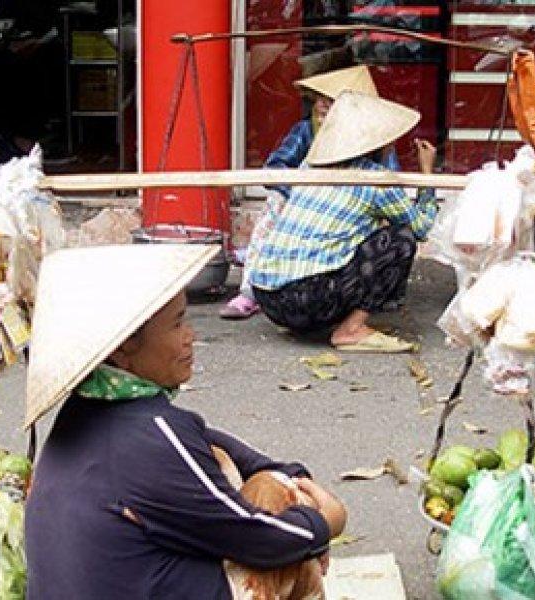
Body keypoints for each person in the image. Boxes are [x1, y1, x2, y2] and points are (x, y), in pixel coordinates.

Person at [24, 245, 346, 599]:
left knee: (272, 482)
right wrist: (326, 521)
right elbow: (258, 538)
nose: (191, 336)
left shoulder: (92, 411)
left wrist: (291, 475)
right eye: (177, 323)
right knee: (291, 546)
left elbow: (215, 443)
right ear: (123, 347)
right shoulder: (151, 435)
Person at [247, 91, 438, 353]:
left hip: (267, 297)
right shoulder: (374, 179)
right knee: (400, 240)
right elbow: (420, 228)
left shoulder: (309, 166)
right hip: (305, 301)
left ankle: (310, 325)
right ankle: (351, 329)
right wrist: (427, 176)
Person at [220, 64, 398, 320]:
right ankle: (250, 291)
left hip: (350, 211)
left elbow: (389, 183)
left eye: (333, 101)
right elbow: (275, 166)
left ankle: (369, 296)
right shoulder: (305, 131)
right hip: (303, 205)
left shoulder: (374, 142)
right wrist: (303, 193)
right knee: (275, 204)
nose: (324, 106)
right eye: (321, 99)